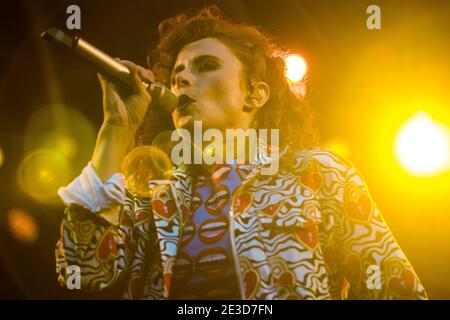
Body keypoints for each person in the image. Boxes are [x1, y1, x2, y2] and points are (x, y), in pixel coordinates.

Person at [55, 6, 427, 300]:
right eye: (177, 74)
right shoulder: (150, 191)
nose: (182, 79)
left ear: (255, 94)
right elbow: (84, 272)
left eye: (206, 66)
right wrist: (116, 130)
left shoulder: (317, 173)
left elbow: (396, 289)